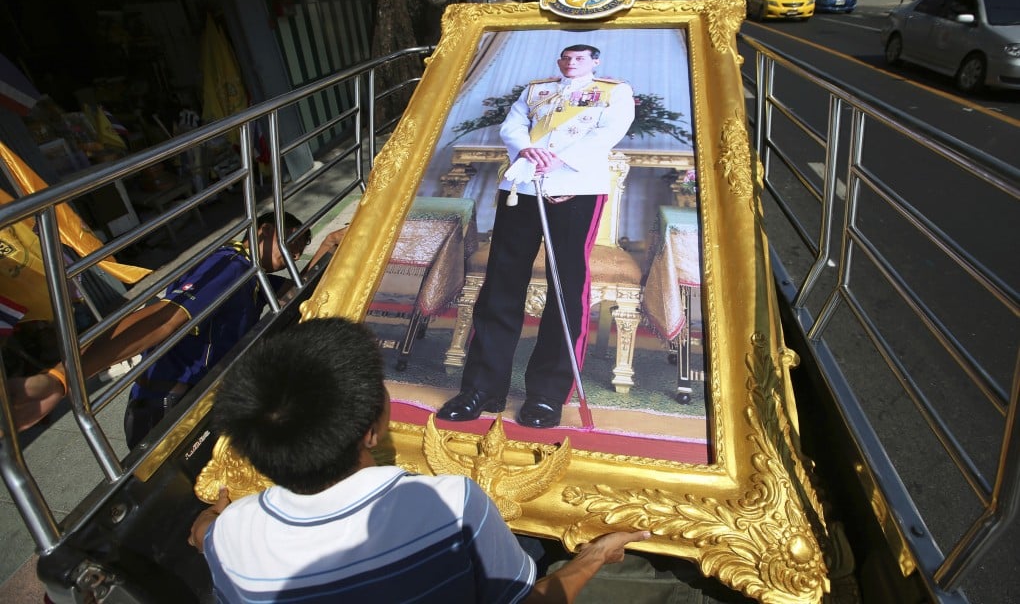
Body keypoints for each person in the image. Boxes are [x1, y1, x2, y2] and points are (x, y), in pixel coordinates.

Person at [188, 318, 648, 603]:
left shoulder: (228, 536)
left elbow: (209, 533)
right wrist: (591, 558)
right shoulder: (451, 505)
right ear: (373, 427)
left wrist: (217, 521)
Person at [6, 211, 346, 445]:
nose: (298, 253)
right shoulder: (231, 264)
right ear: (263, 230)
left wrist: (330, 245)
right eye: (297, 240)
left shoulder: (253, 278)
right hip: (164, 406)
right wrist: (64, 378)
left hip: (183, 401)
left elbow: (296, 294)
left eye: (303, 247)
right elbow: (163, 318)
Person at [438, 44, 635, 428]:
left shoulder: (614, 92)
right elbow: (512, 125)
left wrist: (558, 158)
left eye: (580, 58)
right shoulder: (536, 90)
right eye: (567, 57)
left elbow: (609, 131)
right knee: (501, 285)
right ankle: (482, 388)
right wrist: (528, 149)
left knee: (564, 290)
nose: (572, 62)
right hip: (523, 187)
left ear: (596, 61)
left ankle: (546, 394)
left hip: (576, 189)